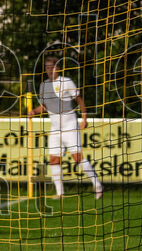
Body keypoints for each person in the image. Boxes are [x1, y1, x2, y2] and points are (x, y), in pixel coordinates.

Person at [29, 55, 103, 198]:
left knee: (77, 158)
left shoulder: (67, 82)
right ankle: (60, 193)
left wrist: (84, 118)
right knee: (53, 160)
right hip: (55, 128)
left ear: (58, 68)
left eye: (52, 67)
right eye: (47, 68)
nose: (49, 70)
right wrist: (34, 111)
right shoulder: (44, 85)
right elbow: (43, 107)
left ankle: (97, 185)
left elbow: (79, 100)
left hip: (70, 126)